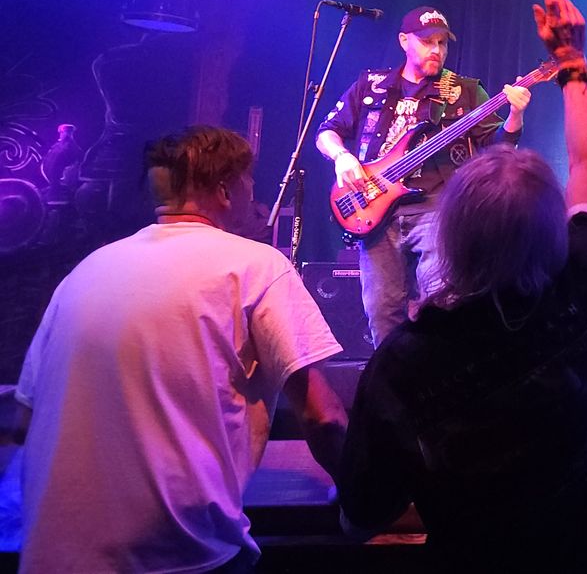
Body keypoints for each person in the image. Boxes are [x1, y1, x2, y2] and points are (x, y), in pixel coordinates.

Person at [337, 0, 587, 568]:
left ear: (447, 239)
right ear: (553, 231)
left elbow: (359, 518)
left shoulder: (404, 363)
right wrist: (573, 61)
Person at [16, 126, 348, 574]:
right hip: (177, 556)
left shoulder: (85, 270)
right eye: (250, 180)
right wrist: (363, 500)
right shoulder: (256, 265)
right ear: (227, 190)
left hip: (49, 555)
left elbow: (25, 419)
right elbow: (323, 416)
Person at [316, 5, 532, 348]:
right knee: (381, 310)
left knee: (441, 300)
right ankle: (392, 376)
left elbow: (500, 149)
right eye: (428, 41)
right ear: (404, 41)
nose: (437, 50)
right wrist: (341, 156)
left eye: (442, 43)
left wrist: (515, 114)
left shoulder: (463, 90)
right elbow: (327, 131)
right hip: (374, 210)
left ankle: (439, 373)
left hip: (437, 209)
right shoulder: (371, 85)